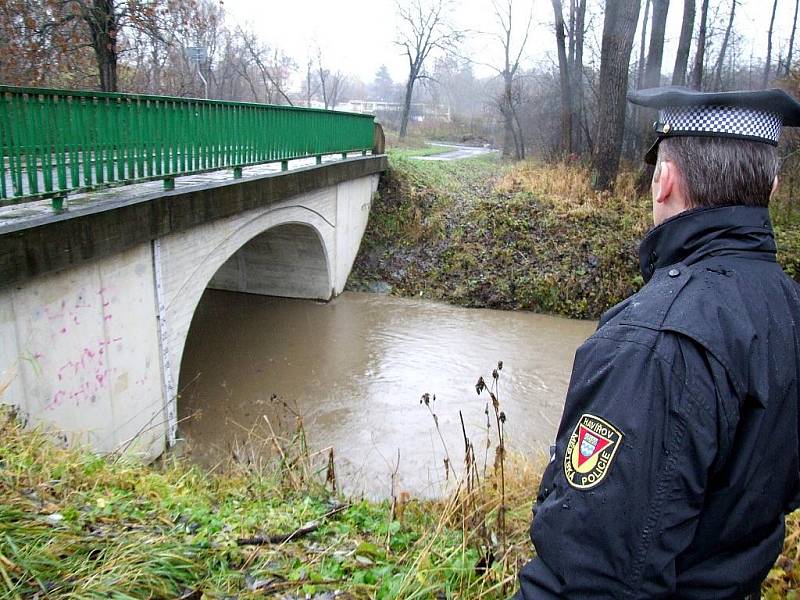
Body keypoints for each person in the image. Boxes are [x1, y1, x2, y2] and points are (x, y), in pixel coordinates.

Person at [513, 87, 800, 599]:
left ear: (663, 180)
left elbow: (587, 579)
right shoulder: (790, 308)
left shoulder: (651, 343)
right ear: (773, 187)